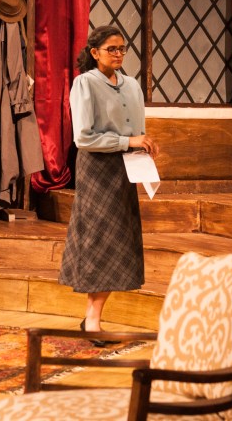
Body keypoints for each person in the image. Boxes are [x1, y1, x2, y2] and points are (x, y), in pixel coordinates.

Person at [59, 25, 159, 344]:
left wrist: (143, 145)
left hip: (124, 170)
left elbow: (136, 131)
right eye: (111, 49)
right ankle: (92, 320)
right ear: (95, 53)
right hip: (97, 171)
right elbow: (84, 138)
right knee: (100, 240)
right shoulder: (85, 83)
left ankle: (92, 318)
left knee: (117, 242)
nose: (118, 54)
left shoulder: (132, 85)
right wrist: (128, 141)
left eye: (122, 49)